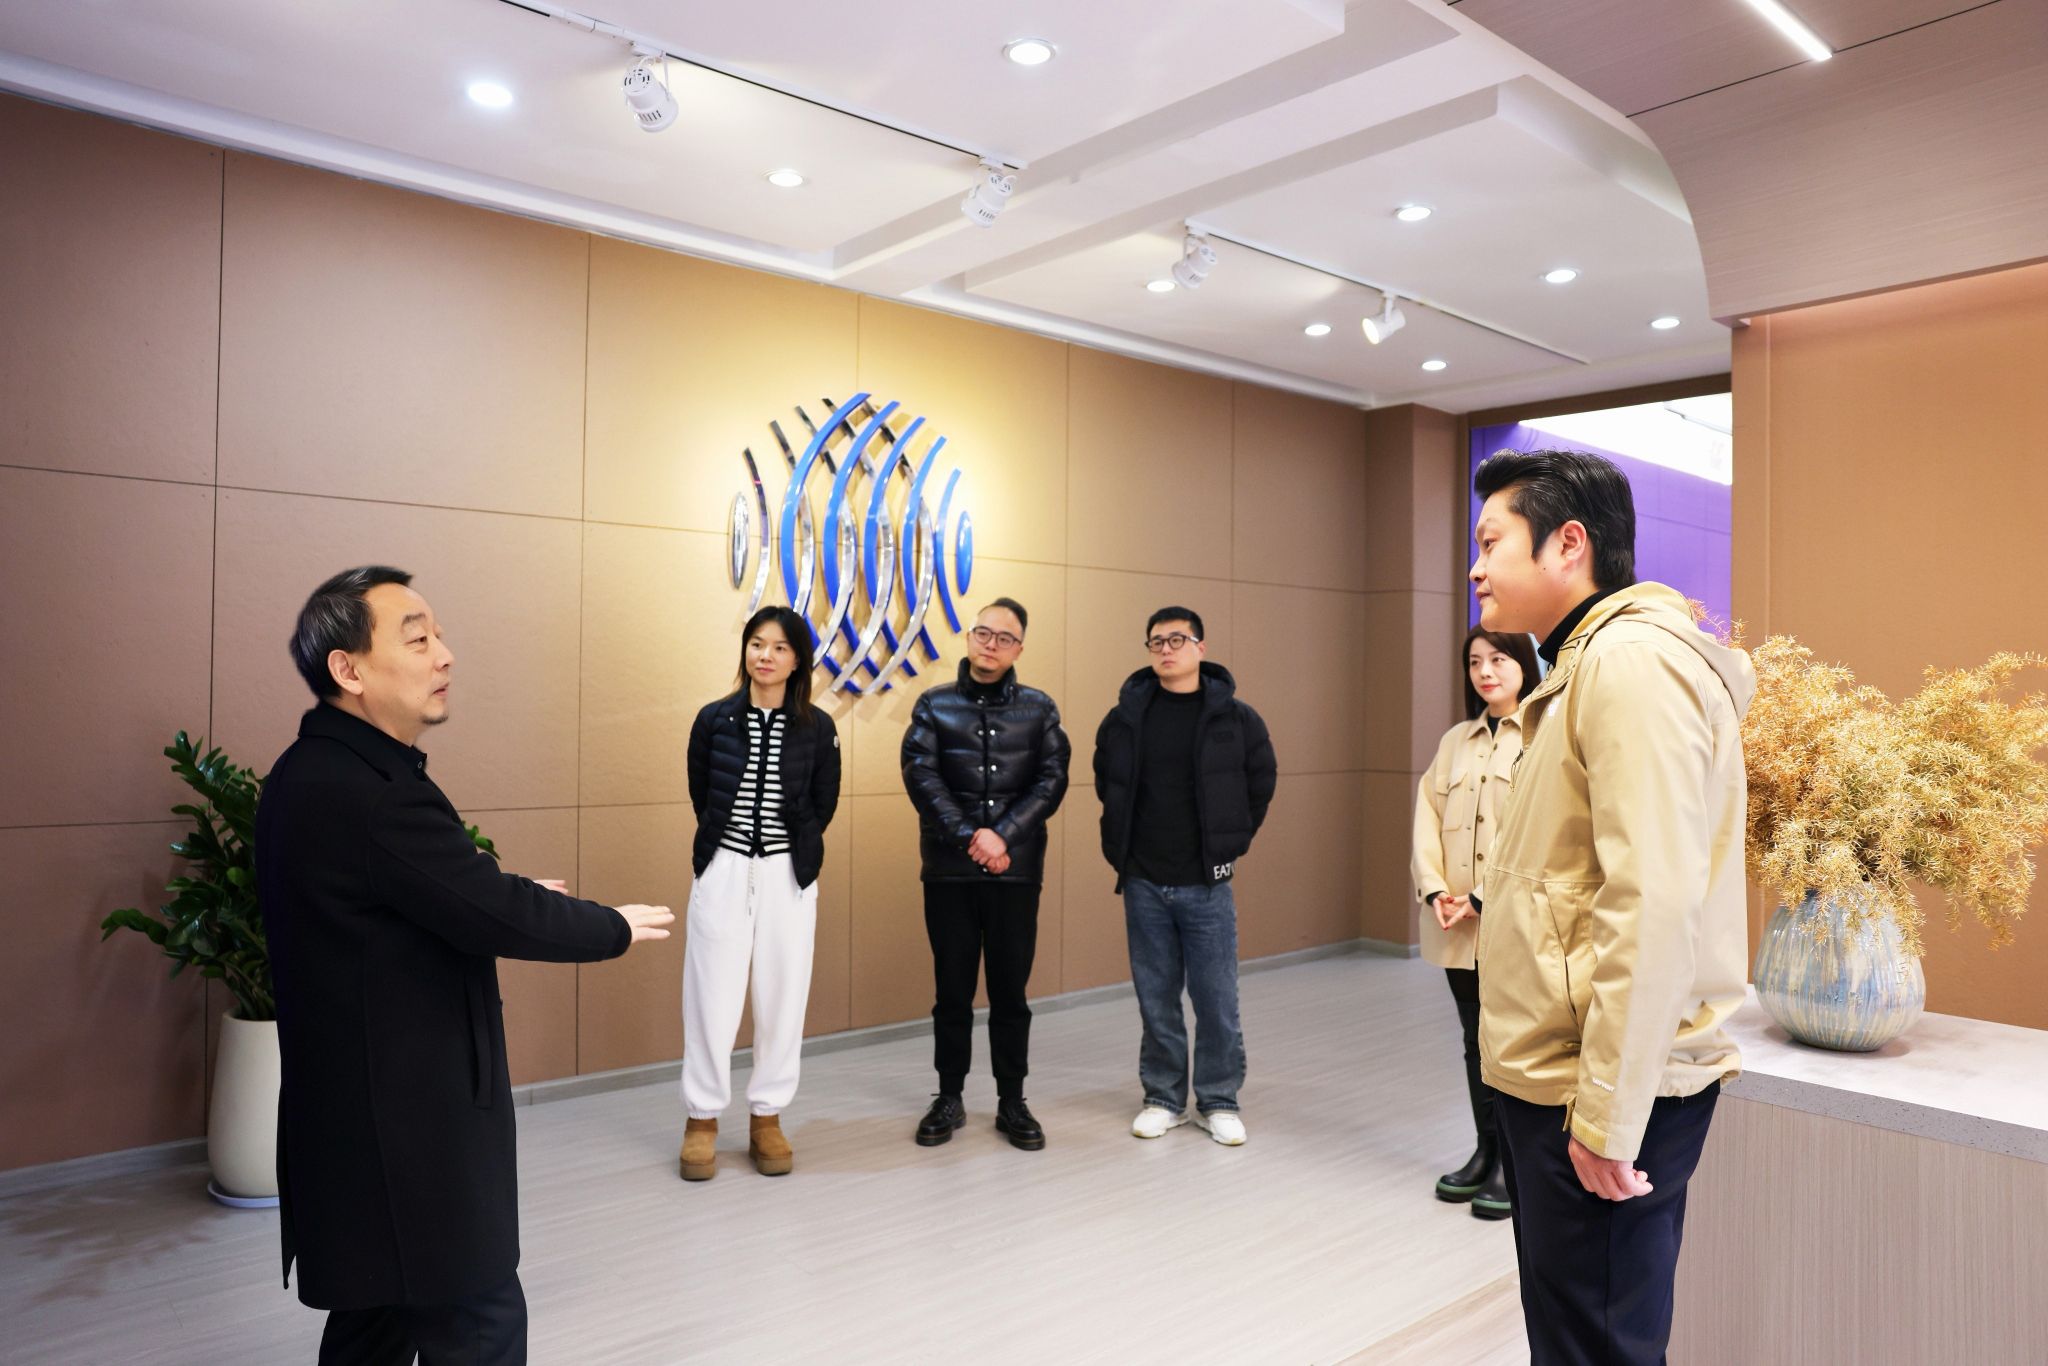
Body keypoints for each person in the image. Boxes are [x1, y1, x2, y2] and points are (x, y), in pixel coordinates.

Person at [257, 565, 673, 1366]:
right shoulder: (375, 793)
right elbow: (490, 907)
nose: (444, 655)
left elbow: (412, 898)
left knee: (373, 1323)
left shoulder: (307, 772)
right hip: (409, 1135)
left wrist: (489, 892)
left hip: (354, 1123)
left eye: (440, 636)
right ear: (348, 669)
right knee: (478, 1324)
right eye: (417, 640)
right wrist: (611, 926)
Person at [1468, 448, 1753, 1365]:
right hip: (1570, 1075)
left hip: (1589, 1088)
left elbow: (1653, 900)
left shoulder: (1627, 665)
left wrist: (1606, 1115)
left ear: (1569, 544)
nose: (1475, 568)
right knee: (1581, 1338)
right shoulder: (1588, 664)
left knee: (1595, 1345)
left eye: (1491, 542)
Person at [1093, 607, 1276, 1146]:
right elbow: (1107, 781)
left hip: (1206, 883)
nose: (1167, 649)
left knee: (1217, 999)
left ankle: (1218, 1100)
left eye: (1178, 639)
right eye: (1157, 642)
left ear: (1200, 647)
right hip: (1144, 880)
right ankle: (1163, 1098)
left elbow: (1260, 781)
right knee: (1156, 998)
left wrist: (1230, 840)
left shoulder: (1235, 718)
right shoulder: (1126, 717)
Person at [679, 605, 841, 1181]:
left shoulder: (819, 728)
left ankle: (767, 1115)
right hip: (723, 867)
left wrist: (790, 846)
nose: (764, 655)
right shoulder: (713, 719)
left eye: (778, 647)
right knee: (710, 997)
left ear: (797, 661)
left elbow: (823, 803)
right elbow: (702, 792)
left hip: (787, 875)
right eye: (756, 643)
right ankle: (701, 1118)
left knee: (782, 996)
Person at [901, 598, 1071, 1149]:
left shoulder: (1040, 709)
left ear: (1019, 648)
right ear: (969, 637)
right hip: (949, 871)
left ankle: (1011, 1101)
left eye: (1005, 637)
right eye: (983, 633)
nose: (991, 644)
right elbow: (922, 777)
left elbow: (1051, 780)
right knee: (951, 990)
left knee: (1010, 992)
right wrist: (972, 839)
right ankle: (948, 1097)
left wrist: (1004, 836)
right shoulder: (934, 705)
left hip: (1015, 872)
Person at [1411, 627, 1538, 1221]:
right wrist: (1436, 889)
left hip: (1512, 922)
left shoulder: (1543, 735)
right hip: (1456, 924)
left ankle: (1515, 1165)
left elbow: (1539, 830)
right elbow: (1426, 816)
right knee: (1473, 1042)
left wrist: (1483, 897)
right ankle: (1485, 1152)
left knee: (1510, 1046)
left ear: (1525, 664)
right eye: (1475, 662)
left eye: (1498, 659)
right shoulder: (1455, 741)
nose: (1485, 671)